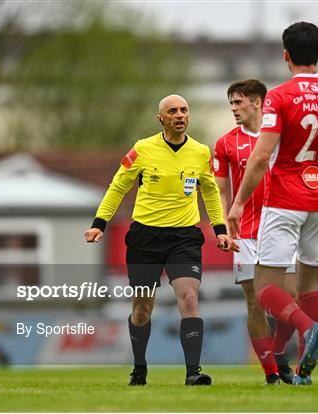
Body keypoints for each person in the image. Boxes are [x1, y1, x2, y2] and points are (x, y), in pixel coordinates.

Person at [227, 22, 318, 384]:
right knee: (310, 287)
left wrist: (239, 202)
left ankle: (310, 329)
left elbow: (260, 157)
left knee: (265, 287)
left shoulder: (280, 96)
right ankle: (306, 369)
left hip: (285, 201)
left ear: (285, 55)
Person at [84, 94, 238, 386]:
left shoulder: (201, 152)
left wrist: (220, 230)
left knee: (189, 298)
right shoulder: (142, 149)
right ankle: (139, 368)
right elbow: (117, 187)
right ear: (161, 119)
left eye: (184, 110)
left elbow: (210, 193)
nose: (179, 115)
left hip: (184, 237)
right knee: (142, 308)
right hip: (145, 237)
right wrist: (99, 224)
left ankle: (193, 372)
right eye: (172, 111)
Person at [213, 79, 297, 385]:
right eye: (231, 103)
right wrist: (224, 228)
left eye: (239, 102)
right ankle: (271, 373)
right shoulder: (226, 144)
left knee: (289, 296)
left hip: (284, 228)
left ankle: (280, 352)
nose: (234, 108)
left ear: (258, 102)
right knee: (254, 301)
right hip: (245, 233)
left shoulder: (283, 137)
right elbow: (220, 192)